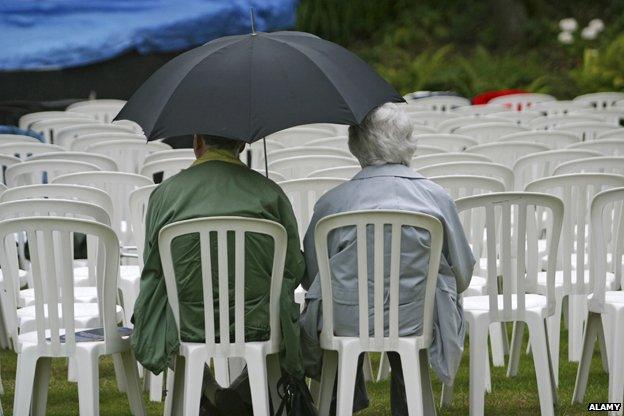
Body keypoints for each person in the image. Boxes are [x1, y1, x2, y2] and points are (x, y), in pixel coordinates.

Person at [300, 102, 475, 415]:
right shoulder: (436, 198)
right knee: (406, 318)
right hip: (414, 319)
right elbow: (462, 273)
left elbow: (312, 275)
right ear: (408, 141)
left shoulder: (332, 204)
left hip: (345, 322)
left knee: (333, 307)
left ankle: (340, 403)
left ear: (356, 144)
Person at [131, 134, 306, 413]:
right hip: (258, 320)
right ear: (242, 144)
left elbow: (154, 265)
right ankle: (239, 395)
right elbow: (295, 267)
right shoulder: (270, 193)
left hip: (184, 322)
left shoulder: (164, 194)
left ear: (197, 142)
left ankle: (210, 391)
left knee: (159, 309)